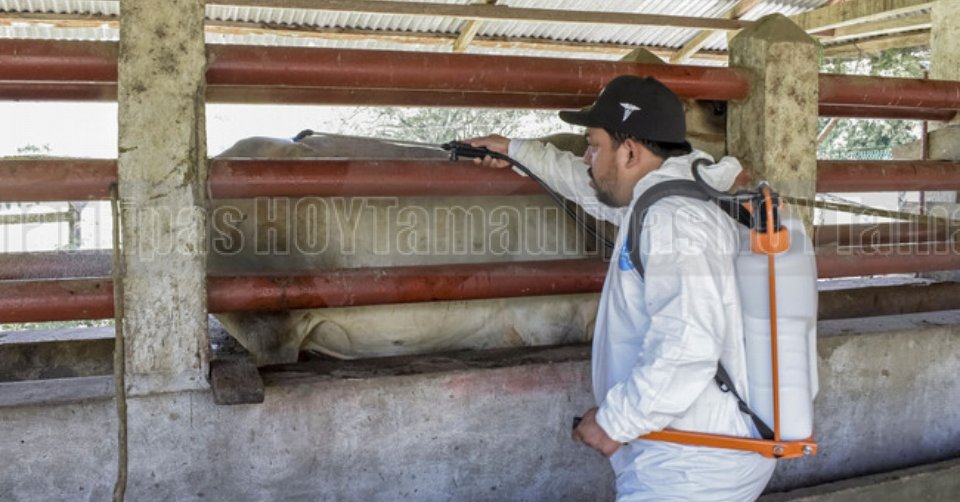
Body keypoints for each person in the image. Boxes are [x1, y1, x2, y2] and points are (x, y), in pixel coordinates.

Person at [467, 75, 776, 500]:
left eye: (593, 146)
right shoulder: (665, 201)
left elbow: (689, 345)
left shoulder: (673, 222)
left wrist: (615, 422)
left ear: (630, 151)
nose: (587, 158)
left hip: (691, 468)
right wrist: (517, 152)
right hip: (694, 453)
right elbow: (589, 187)